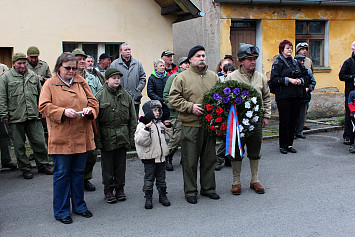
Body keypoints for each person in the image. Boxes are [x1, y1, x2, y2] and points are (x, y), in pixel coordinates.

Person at [39, 52, 99, 224]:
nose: (72, 71)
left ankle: (79, 206)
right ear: (59, 67)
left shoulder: (81, 81)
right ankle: (61, 210)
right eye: (68, 68)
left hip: (82, 135)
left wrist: (90, 110)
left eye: (74, 68)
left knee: (78, 173)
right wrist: (62, 112)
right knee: (62, 174)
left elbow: (93, 102)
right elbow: (43, 106)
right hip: (62, 137)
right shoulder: (50, 84)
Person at [169, 45, 220, 204]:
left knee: (209, 159)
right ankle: (190, 191)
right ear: (190, 59)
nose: (202, 58)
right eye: (198, 56)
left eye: (203, 55)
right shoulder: (181, 77)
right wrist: (190, 107)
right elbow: (173, 99)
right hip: (190, 125)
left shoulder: (213, 76)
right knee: (190, 161)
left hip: (209, 126)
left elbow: (220, 97)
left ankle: (208, 188)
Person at [225, 44, 271, 195]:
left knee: (255, 150)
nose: (253, 62)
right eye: (250, 59)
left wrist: (266, 115)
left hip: (256, 121)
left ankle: (254, 180)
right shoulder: (231, 77)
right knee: (237, 151)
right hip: (238, 121)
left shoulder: (260, 77)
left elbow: (266, 97)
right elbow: (224, 99)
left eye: (255, 59)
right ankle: (236, 182)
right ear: (241, 61)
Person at [0, 53, 52, 179]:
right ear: (13, 64)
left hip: (33, 116)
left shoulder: (33, 76)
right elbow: (2, 97)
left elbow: (41, 95)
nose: (22, 65)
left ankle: (43, 164)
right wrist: (3, 114)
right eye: (19, 63)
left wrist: (42, 109)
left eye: (24, 63)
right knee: (19, 145)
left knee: (39, 142)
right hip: (15, 117)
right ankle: (25, 168)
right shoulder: (5, 77)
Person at [95, 67, 137, 203]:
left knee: (120, 165)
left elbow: (132, 119)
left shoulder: (126, 96)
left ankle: (120, 187)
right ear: (107, 79)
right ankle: (108, 189)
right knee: (107, 166)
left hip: (122, 135)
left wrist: (132, 138)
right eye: (114, 78)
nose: (117, 80)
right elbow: (95, 122)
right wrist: (98, 141)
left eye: (118, 78)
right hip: (107, 135)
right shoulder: (100, 96)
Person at [270, 40, 309, 154]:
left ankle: (290, 144)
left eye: (291, 48)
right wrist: (289, 80)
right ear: (282, 50)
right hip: (284, 96)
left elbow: (306, 75)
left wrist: (300, 80)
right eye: (287, 48)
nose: (290, 50)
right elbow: (274, 80)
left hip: (296, 95)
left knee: (293, 120)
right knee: (285, 121)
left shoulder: (296, 62)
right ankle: (283, 145)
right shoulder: (278, 64)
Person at [72, 49, 102, 192]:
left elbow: (99, 96)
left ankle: (85, 178)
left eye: (83, 59)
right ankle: (75, 180)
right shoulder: (67, 79)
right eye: (78, 59)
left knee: (91, 153)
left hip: (90, 119)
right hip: (73, 120)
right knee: (75, 153)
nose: (82, 61)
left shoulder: (92, 78)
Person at [135, 100, 173, 209]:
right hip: (149, 158)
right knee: (149, 179)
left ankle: (162, 195)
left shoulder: (160, 124)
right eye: (154, 110)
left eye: (158, 110)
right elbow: (140, 140)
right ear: (148, 111)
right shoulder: (142, 125)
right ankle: (148, 197)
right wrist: (147, 129)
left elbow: (167, 137)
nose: (157, 112)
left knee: (161, 178)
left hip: (161, 157)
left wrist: (169, 127)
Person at [163, 57, 190, 171]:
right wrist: (173, 107)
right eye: (185, 63)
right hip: (177, 113)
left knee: (188, 137)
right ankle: (167, 157)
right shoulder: (174, 77)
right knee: (176, 138)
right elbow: (166, 94)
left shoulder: (191, 77)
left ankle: (185, 159)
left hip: (189, 112)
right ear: (180, 65)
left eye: (188, 63)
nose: (187, 65)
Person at [111, 43, 146, 119]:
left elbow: (143, 78)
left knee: (134, 120)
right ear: (121, 52)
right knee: (122, 120)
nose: (128, 51)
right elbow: (111, 80)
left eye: (129, 49)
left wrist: (139, 89)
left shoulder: (137, 64)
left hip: (135, 98)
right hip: (120, 99)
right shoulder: (115, 64)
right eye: (125, 50)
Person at [215, 62, 237, 171]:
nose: (231, 74)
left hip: (235, 113)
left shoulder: (237, 83)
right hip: (224, 113)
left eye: (233, 72)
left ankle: (228, 157)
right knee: (226, 136)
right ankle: (219, 158)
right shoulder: (221, 83)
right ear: (225, 73)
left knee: (233, 136)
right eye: (229, 72)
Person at [294, 54, 316, 139]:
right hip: (294, 96)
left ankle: (299, 132)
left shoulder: (307, 71)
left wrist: (308, 88)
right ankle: (293, 132)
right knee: (293, 116)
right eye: (300, 61)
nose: (302, 62)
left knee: (302, 116)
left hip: (304, 96)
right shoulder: (292, 70)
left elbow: (313, 82)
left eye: (303, 61)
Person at [339, 41, 355, 145]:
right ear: (353, 49)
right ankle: (347, 136)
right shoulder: (348, 62)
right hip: (351, 94)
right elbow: (341, 76)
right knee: (350, 115)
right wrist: (352, 77)